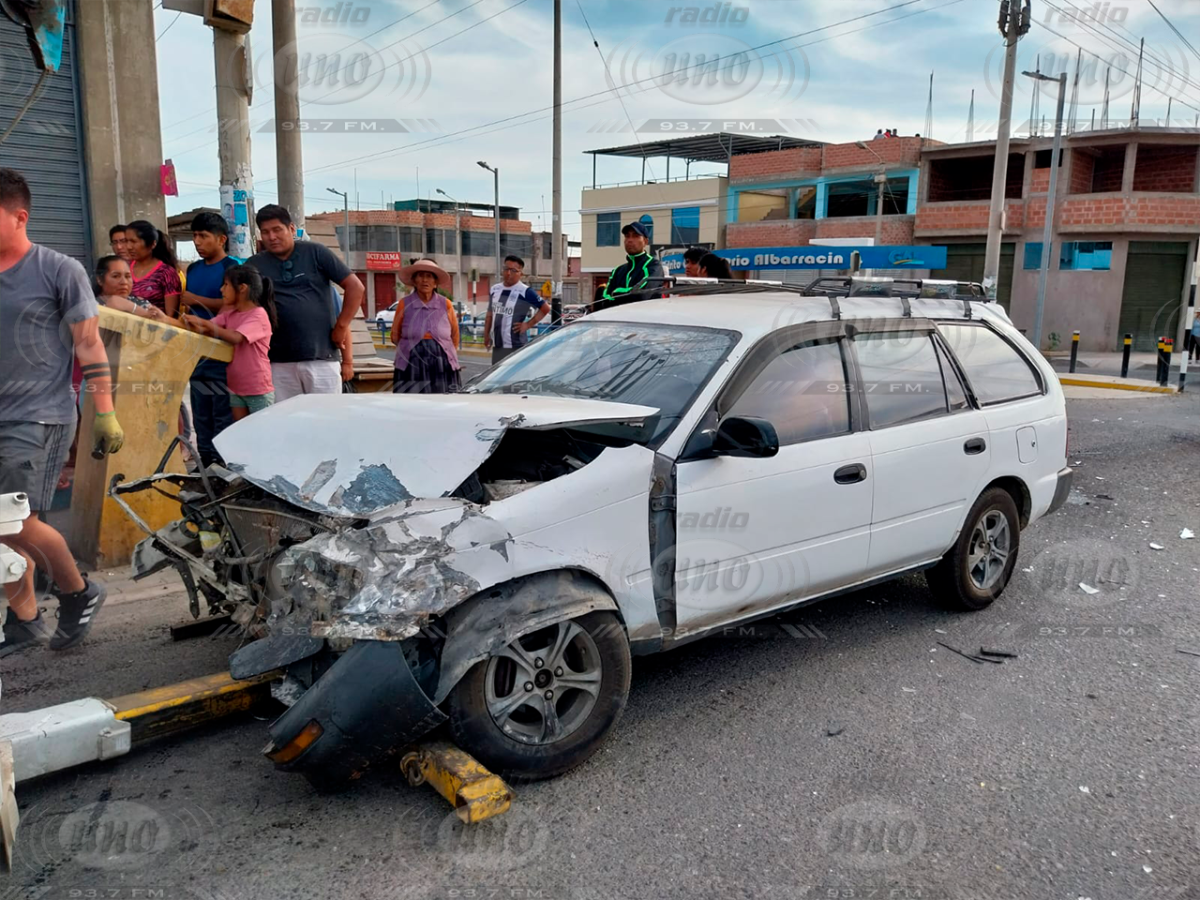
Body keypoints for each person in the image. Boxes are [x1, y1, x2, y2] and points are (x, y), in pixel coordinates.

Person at [0, 167, 123, 657]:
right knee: (3, 526)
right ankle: (26, 621)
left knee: (13, 519)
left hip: (38, 414)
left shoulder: (58, 269)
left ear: (19, 217)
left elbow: (89, 345)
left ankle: (78, 591)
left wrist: (104, 411)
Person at [246, 205, 363, 399]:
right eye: (265, 232)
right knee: (286, 422)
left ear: (291, 229)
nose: (272, 237)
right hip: (277, 362)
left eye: (277, 230)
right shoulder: (254, 265)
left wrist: (341, 327)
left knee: (325, 421)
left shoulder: (316, 252)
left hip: (321, 359)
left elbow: (356, 287)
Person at [179, 212, 239, 467]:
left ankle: (223, 468)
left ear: (221, 239)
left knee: (222, 415)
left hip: (222, 356)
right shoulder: (192, 268)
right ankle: (203, 467)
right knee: (201, 414)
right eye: (194, 236)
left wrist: (195, 300)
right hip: (196, 355)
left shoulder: (233, 268)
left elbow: (233, 305)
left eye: (203, 236)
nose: (197, 242)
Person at [182, 266, 275, 420]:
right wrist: (168, 320)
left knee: (261, 435)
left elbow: (235, 337)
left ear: (242, 288)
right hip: (236, 387)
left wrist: (205, 324)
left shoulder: (258, 315)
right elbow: (203, 328)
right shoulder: (230, 315)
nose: (221, 290)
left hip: (257, 389)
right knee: (239, 434)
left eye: (226, 285)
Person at [391, 259, 461, 393]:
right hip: (411, 362)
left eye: (429, 276)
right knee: (412, 402)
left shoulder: (445, 304)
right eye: (420, 276)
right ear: (414, 281)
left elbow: (455, 335)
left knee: (442, 401)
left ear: (435, 283)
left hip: (441, 362)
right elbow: (395, 335)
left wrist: (445, 352)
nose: (425, 280)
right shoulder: (404, 304)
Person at [484, 255, 550, 366]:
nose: (509, 273)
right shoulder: (495, 289)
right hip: (498, 346)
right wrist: (486, 335)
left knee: (516, 381)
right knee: (498, 380)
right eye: (506, 269)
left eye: (513, 270)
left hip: (516, 346)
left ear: (521, 273)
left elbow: (545, 308)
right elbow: (490, 314)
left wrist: (528, 325)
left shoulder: (525, 291)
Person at [592, 221, 666, 312]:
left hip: (645, 322)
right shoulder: (617, 271)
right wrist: (628, 294)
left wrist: (615, 292)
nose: (630, 240)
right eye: (627, 236)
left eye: (635, 236)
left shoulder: (654, 265)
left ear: (645, 241)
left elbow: (642, 295)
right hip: (619, 323)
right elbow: (604, 300)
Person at [126, 220, 182, 316]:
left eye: (134, 241)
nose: (128, 247)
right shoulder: (124, 268)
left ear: (152, 244)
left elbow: (170, 316)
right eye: (126, 241)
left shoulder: (166, 273)